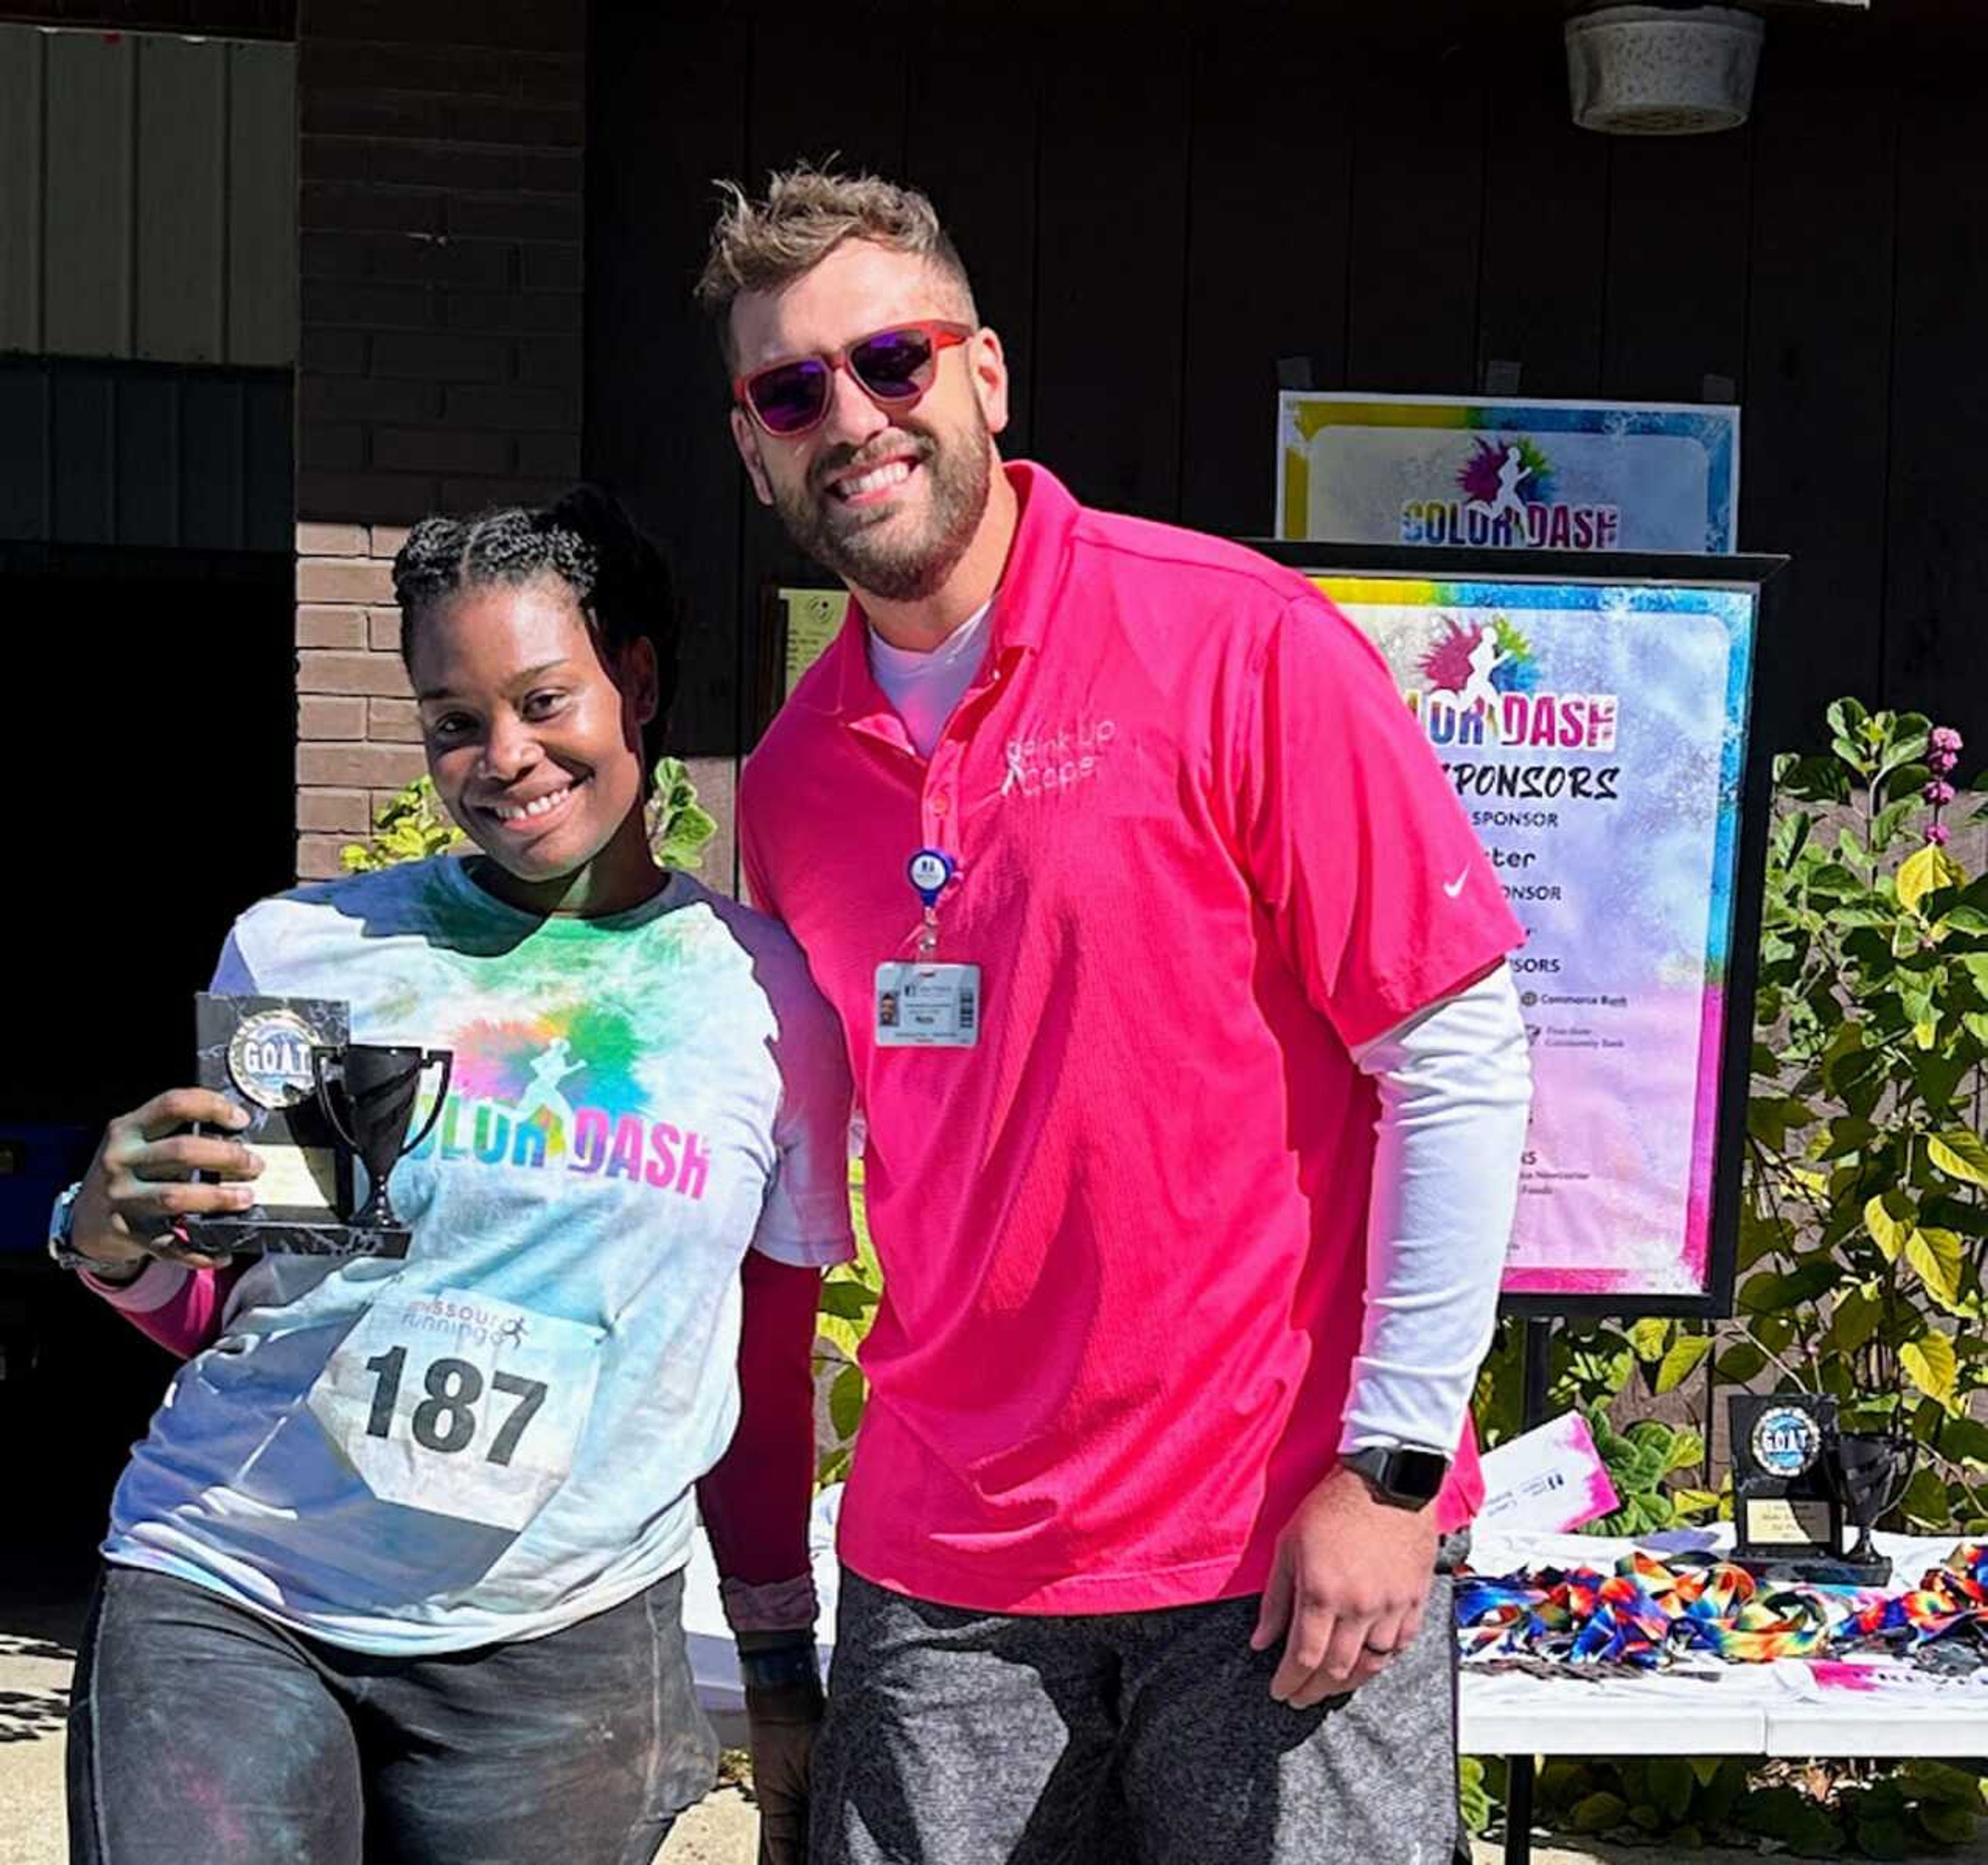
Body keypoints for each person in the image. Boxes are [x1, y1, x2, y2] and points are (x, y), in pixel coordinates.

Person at [698, 168, 1535, 1864]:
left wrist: (1393, 1470)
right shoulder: (789, 782)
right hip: (945, 1570)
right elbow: (779, 1184)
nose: (852, 417)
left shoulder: (1237, 643)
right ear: (754, 445)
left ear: (985, 375)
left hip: (1276, 1549)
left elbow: (1454, 1052)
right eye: (795, 392)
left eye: (892, 360)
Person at [48, 489, 848, 1865]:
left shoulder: (762, 1004)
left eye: (545, 700)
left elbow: (764, 1376)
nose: (504, 758)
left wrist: (779, 1673)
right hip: (237, 1582)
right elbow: (241, 1301)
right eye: (454, 720)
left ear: (637, 682)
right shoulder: (310, 954)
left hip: (560, 1649)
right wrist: (114, 1240)